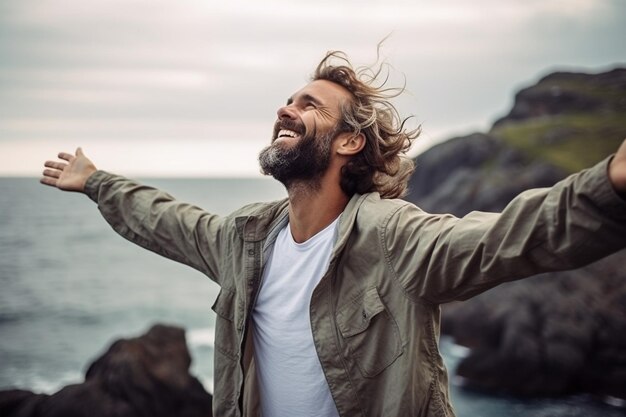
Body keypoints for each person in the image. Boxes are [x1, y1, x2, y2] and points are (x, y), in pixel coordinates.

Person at [41, 51, 626, 417]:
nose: (285, 109)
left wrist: (609, 186)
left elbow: (506, 239)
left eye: (309, 104)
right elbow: (167, 219)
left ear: (348, 142)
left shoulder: (393, 237)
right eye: (287, 101)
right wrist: (97, 182)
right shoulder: (245, 237)